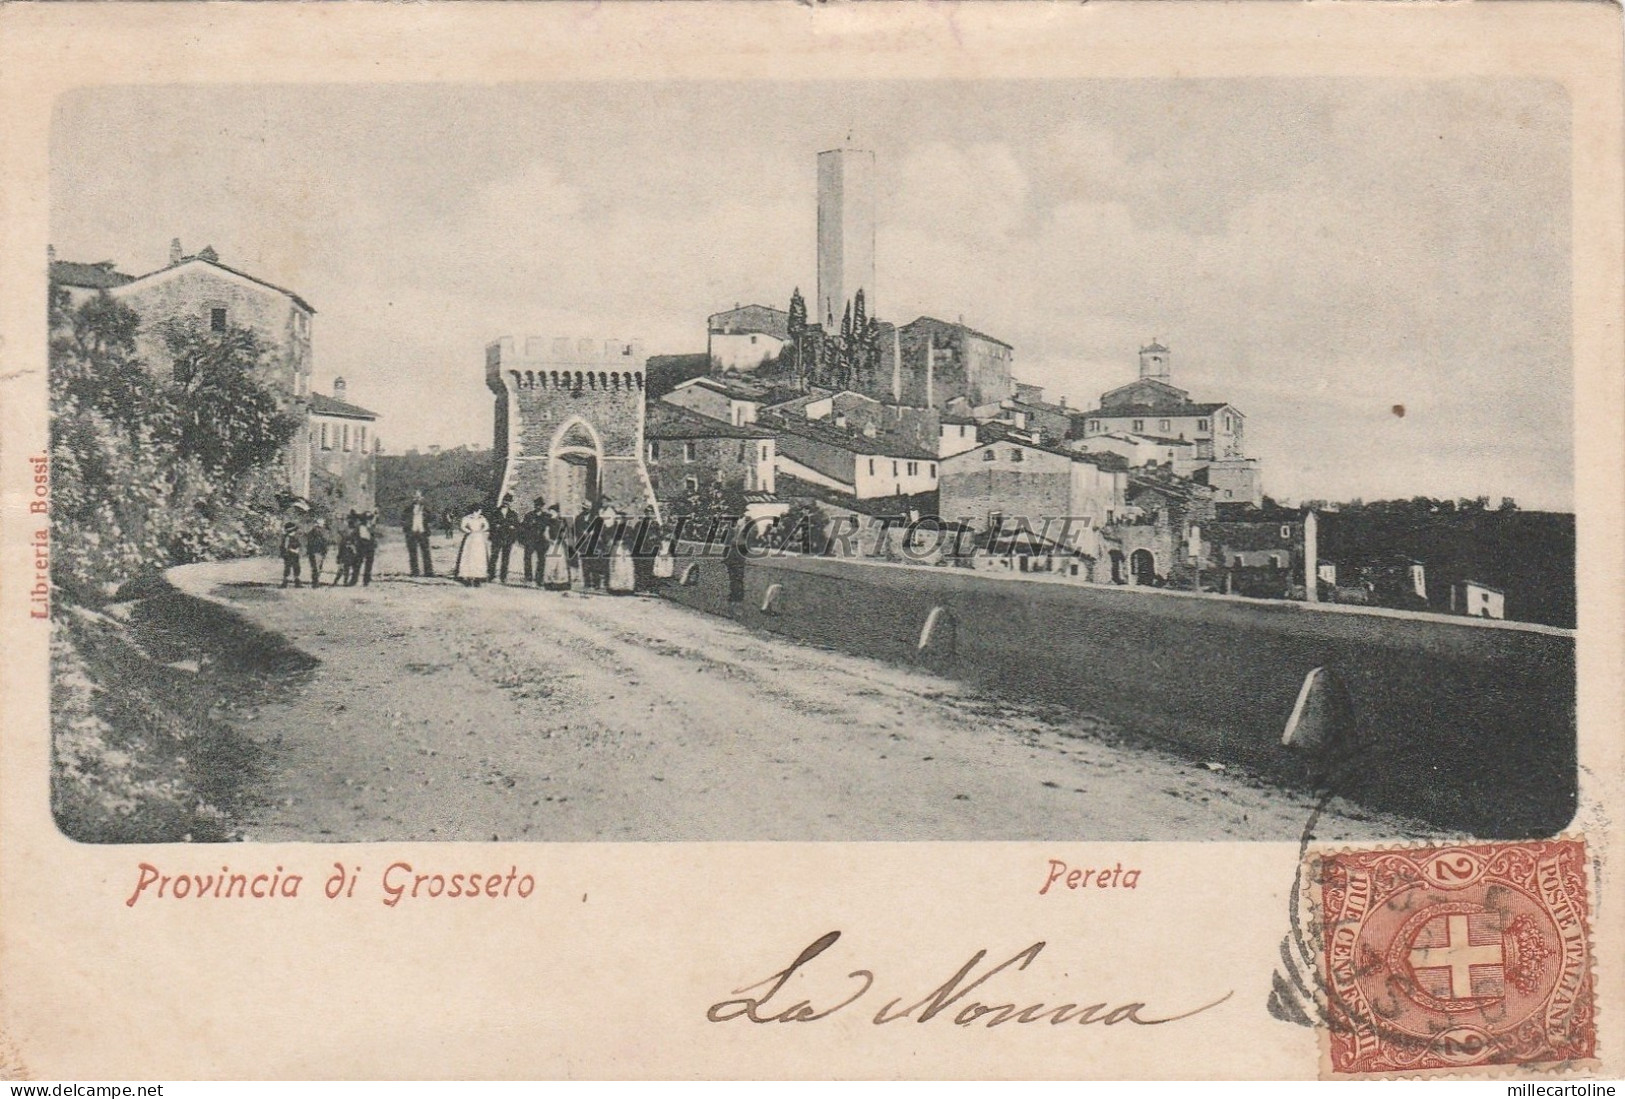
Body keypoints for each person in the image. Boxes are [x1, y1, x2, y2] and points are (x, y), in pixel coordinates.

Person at [487, 493, 520, 583]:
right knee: (494, 556)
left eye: (508, 501)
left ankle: (503, 576)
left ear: (510, 503)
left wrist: (512, 529)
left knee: (505, 558)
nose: (506, 502)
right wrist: (496, 526)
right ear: (502, 501)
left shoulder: (513, 514)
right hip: (497, 538)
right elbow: (491, 523)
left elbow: (517, 526)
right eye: (505, 500)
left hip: (508, 538)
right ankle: (491, 575)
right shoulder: (495, 512)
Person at [401, 490, 435, 577]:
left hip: (423, 532)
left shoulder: (426, 508)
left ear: (422, 498)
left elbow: (432, 518)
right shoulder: (408, 509)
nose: (417, 499)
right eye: (415, 497)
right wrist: (406, 529)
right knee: (412, 552)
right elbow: (403, 519)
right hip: (411, 532)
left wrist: (425, 513)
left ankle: (428, 572)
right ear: (412, 498)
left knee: (426, 552)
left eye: (419, 497)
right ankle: (415, 571)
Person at [631, 505, 664, 592]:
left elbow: (659, 537)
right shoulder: (639, 524)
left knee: (649, 567)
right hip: (641, 548)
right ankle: (638, 586)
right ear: (645, 513)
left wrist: (659, 548)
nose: (649, 514)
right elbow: (634, 536)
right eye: (647, 512)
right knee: (639, 567)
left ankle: (646, 586)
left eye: (651, 512)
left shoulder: (656, 525)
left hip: (650, 549)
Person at [455, 508, 491, 586]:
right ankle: (468, 577)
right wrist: (469, 531)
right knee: (469, 556)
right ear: (476, 510)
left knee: (479, 556)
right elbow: (462, 526)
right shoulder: (467, 518)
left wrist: (481, 530)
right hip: (470, 538)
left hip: (479, 538)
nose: (480, 512)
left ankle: (478, 577)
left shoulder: (482, 518)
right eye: (479, 510)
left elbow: (487, 526)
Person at [540, 504, 571, 590]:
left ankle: (561, 583)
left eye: (552, 511)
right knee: (550, 563)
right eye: (550, 511)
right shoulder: (549, 521)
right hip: (552, 544)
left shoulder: (562, 521)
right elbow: (545, 532)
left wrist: (562, 540)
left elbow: (565, 532)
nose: (550, 513)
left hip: (559, 545)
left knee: (560, 564)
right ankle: (549, 582)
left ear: (556, 512)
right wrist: (549, 540)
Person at [606, 506, 636, 595]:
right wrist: (610, 540)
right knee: (615, 567)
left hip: (625, 550)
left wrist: (626, 543)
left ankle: (627, 588)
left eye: (620, 519)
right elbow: (606, 536)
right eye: (617, 519)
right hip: (615, 550)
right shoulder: (611, 529)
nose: (618, 520)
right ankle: (615, 587)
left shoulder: (629, 529)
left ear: (624, 520)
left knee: (627, 568)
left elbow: (633, 539)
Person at [574, 500, 603, 591]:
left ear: (590, 509)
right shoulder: (578, 518)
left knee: (594, 563)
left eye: (587, 508)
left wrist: (593, 533)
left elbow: (600, 530)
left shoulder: (595, 518)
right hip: (583, 543)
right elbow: (576, 530)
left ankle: (596, 583)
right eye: (584, 508)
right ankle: (587, 583)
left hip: (593, 544)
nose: (585, 510)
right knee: (585, 564)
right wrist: (582, 534)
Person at [518, 497, 547, 584]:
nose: (538, 507)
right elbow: (522, 528)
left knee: (541, 559)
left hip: (541, 541)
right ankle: (528, 577)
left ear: (542, 506)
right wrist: (522, 539)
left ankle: (539, 578)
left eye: (540, 505)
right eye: (537, 505)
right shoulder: (529, 515)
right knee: (527, 558)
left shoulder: (546, 516)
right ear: (534, 506)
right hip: (530, 540)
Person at [723, 518, 750, 613]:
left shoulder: (746, 526)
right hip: (734, 554)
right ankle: (734, 601)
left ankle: (736, 602)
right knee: (734, 578)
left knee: (737, 578)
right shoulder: (739, 525)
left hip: (738, 554)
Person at [354, 510, 377, 587]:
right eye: (366, 518)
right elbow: (357, 537)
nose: (368, 520)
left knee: (369, 564)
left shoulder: (371, 527)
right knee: (358, 563)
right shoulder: (360, 527)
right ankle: (354, 579)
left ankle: (366, 580)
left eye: (369, 518)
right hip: (361, 546)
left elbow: (373, 537)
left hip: (370, 546)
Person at [306, 519, 330, 589]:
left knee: (316, 568)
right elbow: (324, 542)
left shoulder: (313, 532)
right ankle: (315, 583)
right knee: (317, 568)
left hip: (316, 552)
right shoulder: (318, 533)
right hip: (317, 552)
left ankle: (315, 582)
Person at [279, 521, 303, 588]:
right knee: (287, 568)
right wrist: (293, 550)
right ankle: (285, 582)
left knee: (296, 568)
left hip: (295, 555)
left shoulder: (295, 538)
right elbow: (285, 547)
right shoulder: (287, 538)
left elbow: (298, 545)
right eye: (294, 530)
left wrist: (298, 550)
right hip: (289, 555)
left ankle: (296, 581)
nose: (295, 532)